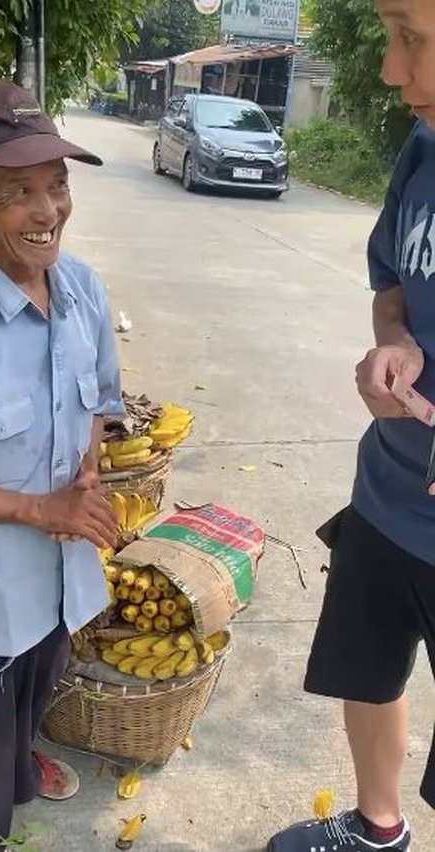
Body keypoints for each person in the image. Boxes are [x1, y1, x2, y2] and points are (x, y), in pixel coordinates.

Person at [268, 1, 435, 850]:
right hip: (388, 493)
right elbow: (391, 279)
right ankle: (378, 831)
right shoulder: (425, 146)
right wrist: (393, 342)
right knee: (367, 673)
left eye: (413, 39)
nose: (390, 72)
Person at [0, 78, 124, 850]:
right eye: (17, 191)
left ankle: (19, 768)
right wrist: (38, 510)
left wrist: (85, 476)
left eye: (56, 186)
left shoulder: (83, 290)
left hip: (55, 584)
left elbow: (95, 402)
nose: (48, 210)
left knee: (32, 697)